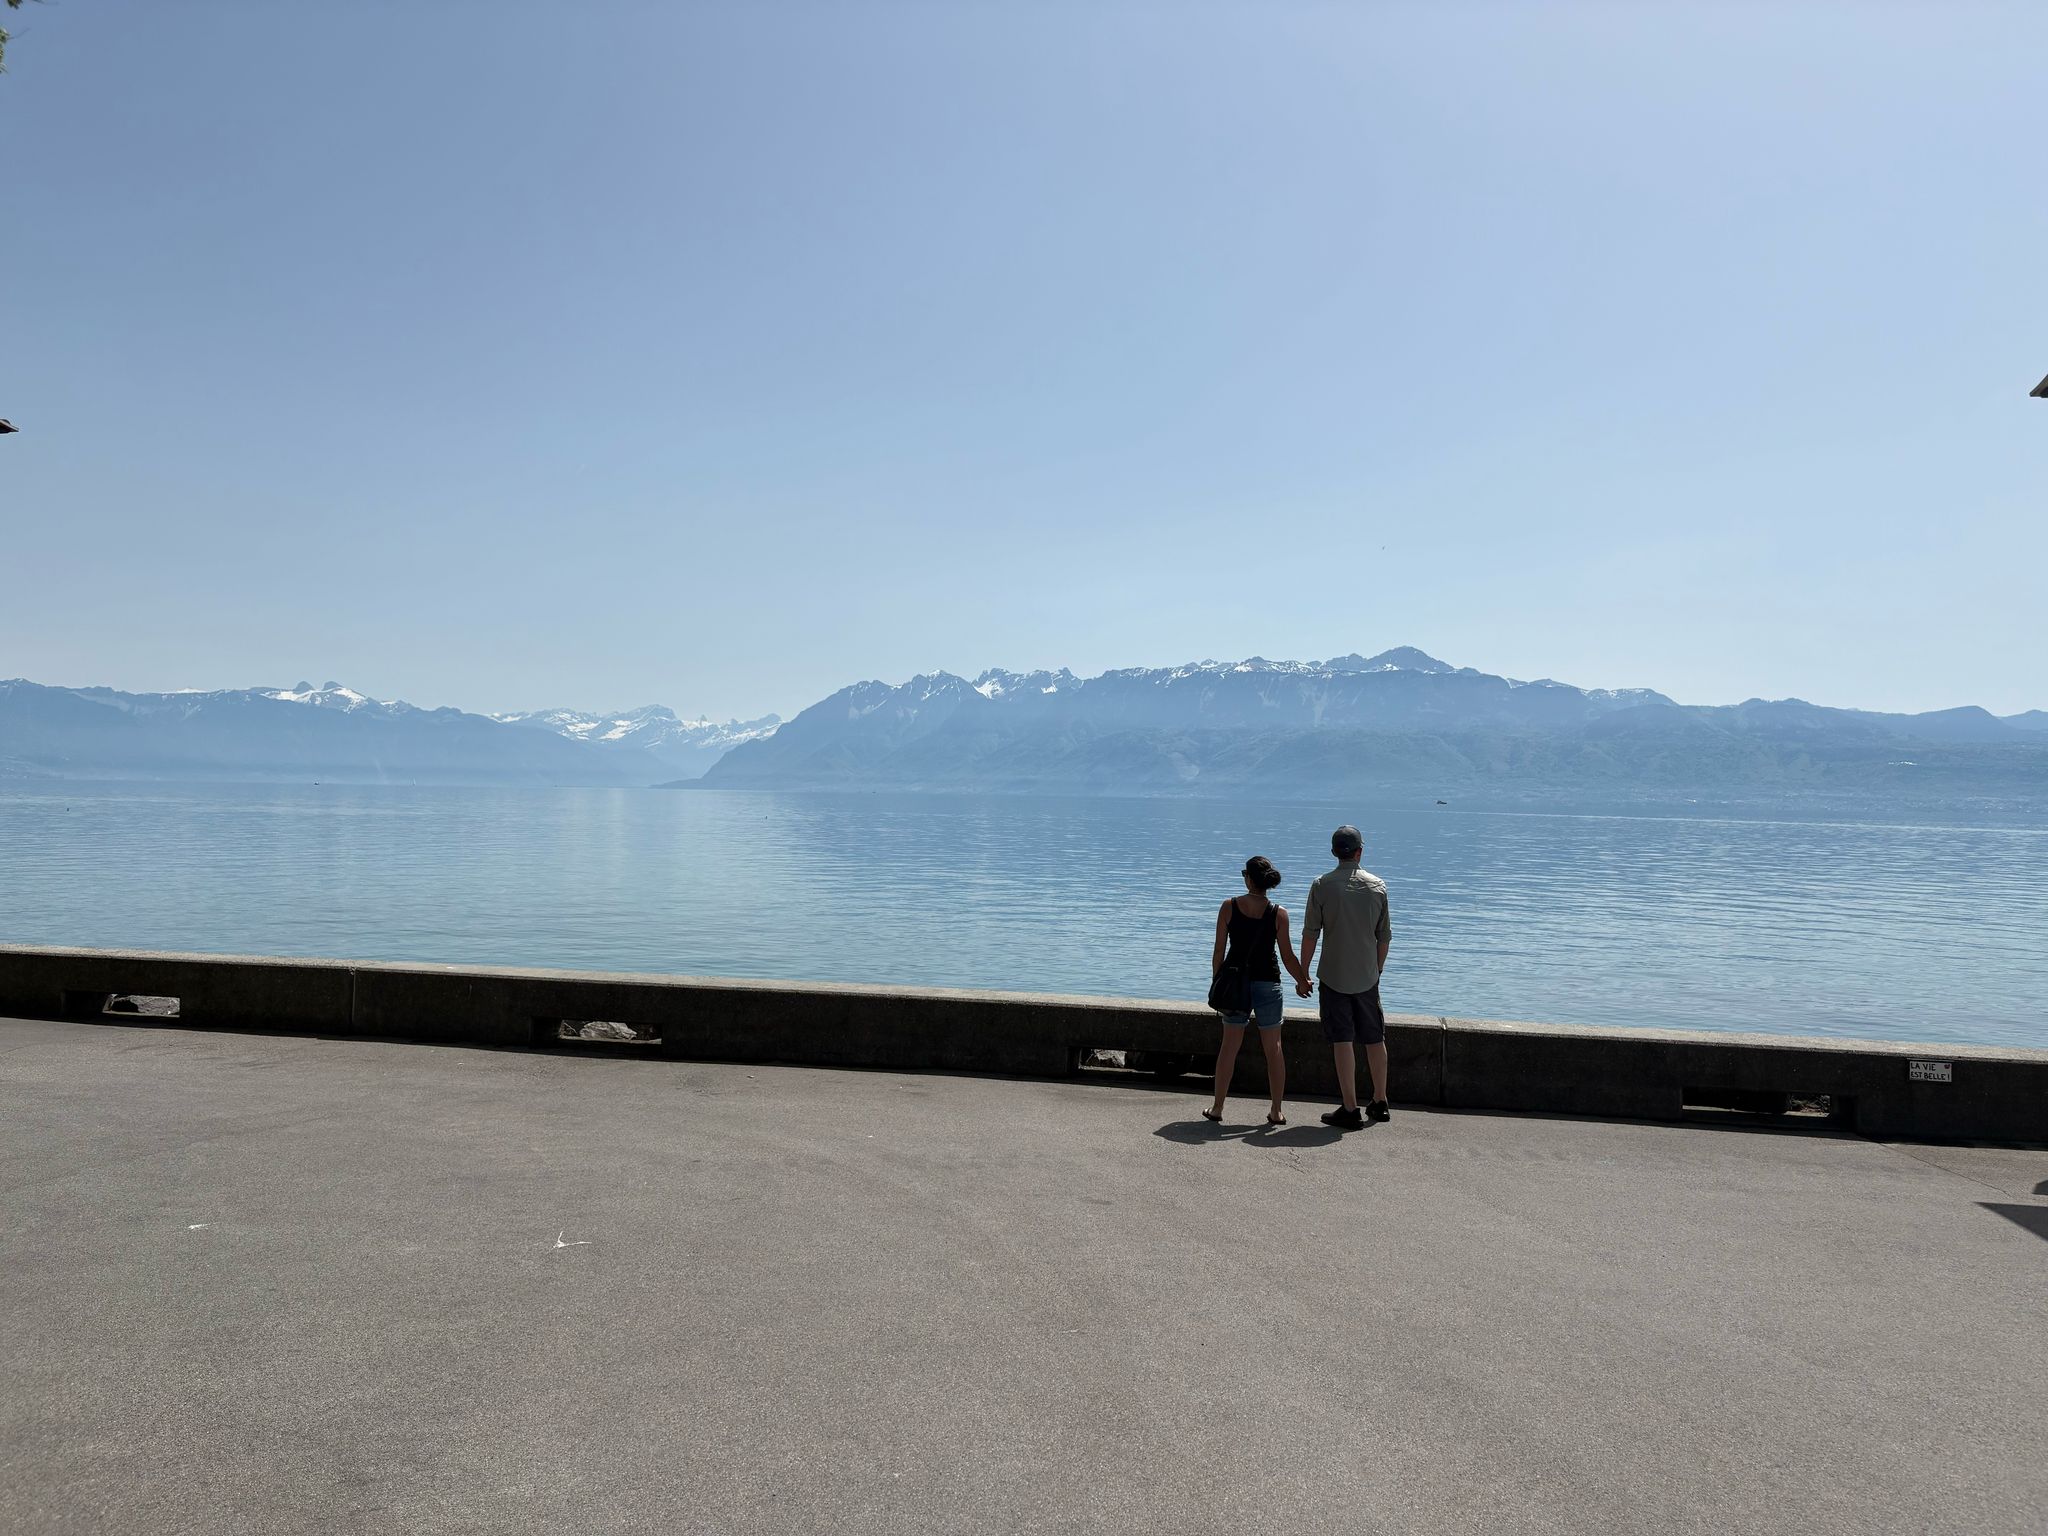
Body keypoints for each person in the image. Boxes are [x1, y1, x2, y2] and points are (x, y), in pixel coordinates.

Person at [1298, 824, 1392, 1129]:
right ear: (1360, 852)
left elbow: (1310, 934)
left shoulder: (1321, 886)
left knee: (1342, 1039)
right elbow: (1384, 938)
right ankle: (1380, 1101)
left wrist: (1303, 973)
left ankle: (1350, 1108)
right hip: (1367, 977)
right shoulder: (1377, 886)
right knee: (1374, 1038)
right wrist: (1375, 971)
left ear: (1334, 852)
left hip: (1333, 976)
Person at [1204, 855, 1308, 1127]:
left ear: (1249, 879)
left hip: (1236, 984)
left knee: (1229, 1046)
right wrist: (1302, 980)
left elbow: (1218, 952)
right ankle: (1276, 1110)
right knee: (1273, 1048)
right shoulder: (1279, 913)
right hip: (1268, 983)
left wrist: (1218, 981)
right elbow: (1287, 956)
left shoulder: (1229, 906)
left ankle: (1217, 1107)